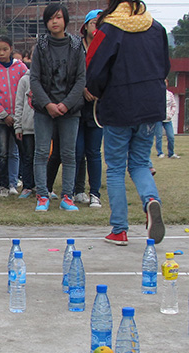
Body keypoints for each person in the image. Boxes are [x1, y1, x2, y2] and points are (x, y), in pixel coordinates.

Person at [86, 0, 168, 245]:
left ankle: (119, 230)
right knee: (140, 162)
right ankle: (151, 200)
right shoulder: (156, 27)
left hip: (118, 105)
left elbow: (95, 68)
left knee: (115, 167)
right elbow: (165, 66)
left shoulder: (109, 28)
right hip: (151, 104)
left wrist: (97, 92)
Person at [30, 4, 85, 212]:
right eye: (51, 18)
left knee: (69, 154)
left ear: (65, 20)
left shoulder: (76, 46)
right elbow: (34, 79)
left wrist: (66, 104)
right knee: (41, 152)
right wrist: (48, 104)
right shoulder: (40, 46)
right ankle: (42, 196)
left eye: (59, 17)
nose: (55, 21)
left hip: (70, 109)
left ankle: (67, 197)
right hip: (44, 108)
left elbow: (81, 80)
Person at [0, 35, 28, 198]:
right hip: (0, 120)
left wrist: (18, 115)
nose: (1, 53)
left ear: (11, 49)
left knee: (15, 153)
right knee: (1, 152)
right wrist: (4, 115)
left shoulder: (21, 68)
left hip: (18, 118)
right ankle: (0, 185)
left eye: (5, 49)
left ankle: (13, 183)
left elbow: (26, 90)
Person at [74, 9, 104, 208]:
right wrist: (83, 88)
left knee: (94, 152)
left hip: (96, 109)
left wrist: (97, 91)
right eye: (94, 23)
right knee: (76, 151)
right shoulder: (76, 48)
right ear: (85, 26)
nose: (97, 27)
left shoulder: (106, 49)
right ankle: (76, 190)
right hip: (76, 107)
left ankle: (95, 193)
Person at [13, 47, 35, 199]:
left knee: (43, 158)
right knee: (27, 157)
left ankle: (44, 186)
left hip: (44, 127)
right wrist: (18, 126)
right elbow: (19, 104)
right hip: (27, 127)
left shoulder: (49, 79)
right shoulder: (24, 80)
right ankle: (27, 186)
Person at [157, 79, 179, 159]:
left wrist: (171, 114)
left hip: (167, 119)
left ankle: (171, 153)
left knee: (171, 136)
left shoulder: (170, 94)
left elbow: (174, 105)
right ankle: (160, 153)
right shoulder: (156, 94)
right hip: (158, 119)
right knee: (159, 136)